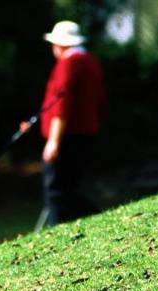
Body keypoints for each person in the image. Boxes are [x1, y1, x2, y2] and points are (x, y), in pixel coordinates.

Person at [32, 21, 105, 229]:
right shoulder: (91, 62)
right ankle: (92, 222)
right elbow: (100, 101)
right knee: (70, 189)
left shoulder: (67, 64)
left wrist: (54, 141)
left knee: (56, 191)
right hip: (86, 134)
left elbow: (61, 105)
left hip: (67, 136)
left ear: (60, 45)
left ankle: (60, 232)